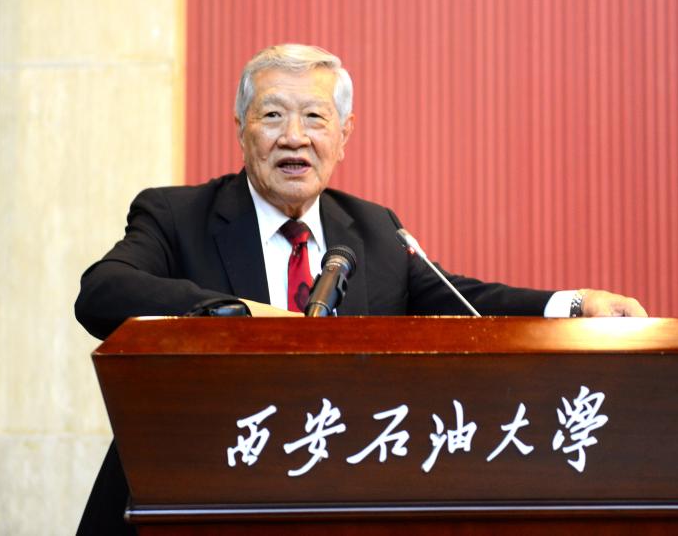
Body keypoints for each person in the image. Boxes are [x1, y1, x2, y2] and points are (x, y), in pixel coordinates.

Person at [74, 43, 646, 534]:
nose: (293, 137)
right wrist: (236, 315)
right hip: (190, 496)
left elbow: (462, 302)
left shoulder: (373, 230)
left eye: (315, 118)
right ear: (241, 129)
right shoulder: (177, 216)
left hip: (334, 502)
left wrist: (576, 304)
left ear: (343, 135)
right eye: (272, 115)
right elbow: (102, 291)